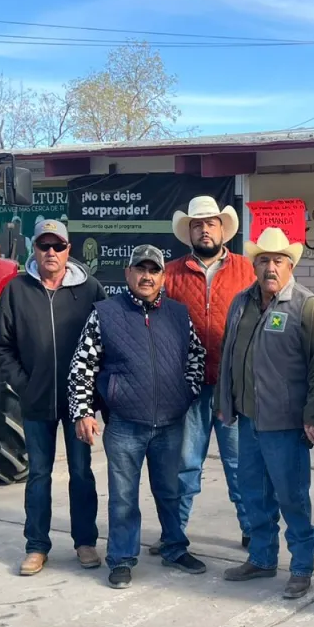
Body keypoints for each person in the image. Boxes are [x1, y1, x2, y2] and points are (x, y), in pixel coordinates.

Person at [68, 245, 208, 589]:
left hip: (170, 424)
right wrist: (83, 411)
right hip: (125, 424)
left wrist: (186, 393)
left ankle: (175, 547)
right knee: (124, 497)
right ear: (128, 273)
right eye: (140, 269)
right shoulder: (105, 313)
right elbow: (82, 365)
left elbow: (196, 355)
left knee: (170, 492)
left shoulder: (178, 313)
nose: (147, 276)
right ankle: (121, 559)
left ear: (163, 277)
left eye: (154, 270)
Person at [216, 227, 314, 600]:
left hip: (285, 424)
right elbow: (229, 356)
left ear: (290, 265)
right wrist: (225, 402)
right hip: (247, 420)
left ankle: (301, 567)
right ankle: (262, 559)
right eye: (264, 260)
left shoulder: (305, 305)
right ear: (254, 265)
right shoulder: (241, 302)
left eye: (278, 261)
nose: (270, 267)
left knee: (292, 497)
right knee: (253, 495)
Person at [0, 218, 106, 578]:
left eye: (58, 246)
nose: (51, 252)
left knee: (82, 473)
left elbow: (107, 341)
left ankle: (85, 541)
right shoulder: (16, 291)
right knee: (38, 475)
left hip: (78, 404)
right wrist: (24, 385)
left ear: (69, 250)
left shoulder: (90, 290)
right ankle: (36, 546)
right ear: (34, 250)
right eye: (44, 246)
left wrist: (94, 393)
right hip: (36, 401)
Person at [163, 196, 257, 553]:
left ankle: (252, 530)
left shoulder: (245, 270)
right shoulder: (170, 274)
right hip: (188, 387)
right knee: (186, 464)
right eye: (198, 224)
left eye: (211, 223)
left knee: (238, 464)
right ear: (189, 231)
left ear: (223, 229)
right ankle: (175, 531)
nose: (205, 229)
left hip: (232, 386)